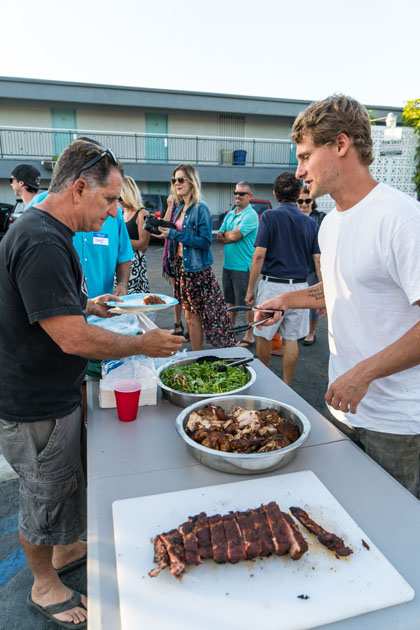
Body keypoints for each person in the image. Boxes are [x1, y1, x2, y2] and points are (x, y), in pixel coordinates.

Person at [0, 139, 183, 628]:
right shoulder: (40, 239)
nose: (112, 214)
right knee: (42, 494)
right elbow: (71, 339)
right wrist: (144, 345)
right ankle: (44, 585)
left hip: (53, 392)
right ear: (79, 188)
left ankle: (65, 551)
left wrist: (89, 305)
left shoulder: (47, 231)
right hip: (34, 399)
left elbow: (55, 308)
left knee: (62, 483)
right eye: (108, 201)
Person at [255, 94, 420, 498]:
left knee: (394, 541)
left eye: (306, 156)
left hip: (397, 423)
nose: (299, 171)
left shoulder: (402, 218)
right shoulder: (329, 224)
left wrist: (363, 374)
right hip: (343, 409)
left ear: (341, 145)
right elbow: (339, 288)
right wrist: (285, 301)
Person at [245, 172, 320, 385]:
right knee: (292, 338)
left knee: (263, 334)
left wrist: (250, 289)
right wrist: (321, 292)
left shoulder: (269, 217)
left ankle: (265, 381)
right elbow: (317, 260)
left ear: (275, 194)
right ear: (298, 194)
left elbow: (259, 255)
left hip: (272, 286)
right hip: (300, 288)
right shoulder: (309, 222)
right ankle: (287, 385)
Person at [154, 164, 235, 350]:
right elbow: (175, 232)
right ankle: (196, 354)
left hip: (198, 271)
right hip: (182, 268)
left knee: (205, 316)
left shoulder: (200, 208)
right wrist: (164, 232)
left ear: (192, 181)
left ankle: (201, 354)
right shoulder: (179, 207)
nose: (177, 183)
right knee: (189, 315)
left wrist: (174, 235)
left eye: (181, 179)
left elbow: (205, 241)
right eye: (174, 180)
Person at [217, 181, 259, 347]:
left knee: (246, 303)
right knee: (230, 302)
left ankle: (250, 334)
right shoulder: (231, 213)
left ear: (250, 197)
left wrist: (228, 236)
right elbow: (220, 236)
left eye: (242, 193)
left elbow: (235, 236)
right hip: (228, 265)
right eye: (236, 193)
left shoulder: (251, 215)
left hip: (243, 267)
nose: (237, 196)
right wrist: (228, 236)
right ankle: (230, 330)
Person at [297, 186, 326, 345]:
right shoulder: (293, 218)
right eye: (300, 201)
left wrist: (322, 278)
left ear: (312, 202)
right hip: (295, 269)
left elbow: (319, 253)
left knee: (313, 302)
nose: (304, 204)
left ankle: (311, 332)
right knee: (297, 303)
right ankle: (300, 330)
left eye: (307, 201)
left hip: (312, 268)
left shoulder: (319, 218)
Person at [120, 175, 150, 293]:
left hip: (135, 265)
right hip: (121, 262)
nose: (118, 200)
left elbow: (143, 244)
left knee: (135, 302)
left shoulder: (142, 213)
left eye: (120, 197)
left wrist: (120, 241)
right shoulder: (120, 213)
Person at [162, 193, 185, 336]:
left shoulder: (188, 207)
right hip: (171, 255)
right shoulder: (174, 207)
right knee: (176, 293)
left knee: (186, 295)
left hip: (183, 257)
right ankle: (178, 324)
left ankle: (190, 325)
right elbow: (163, 225)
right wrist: (170, 206)